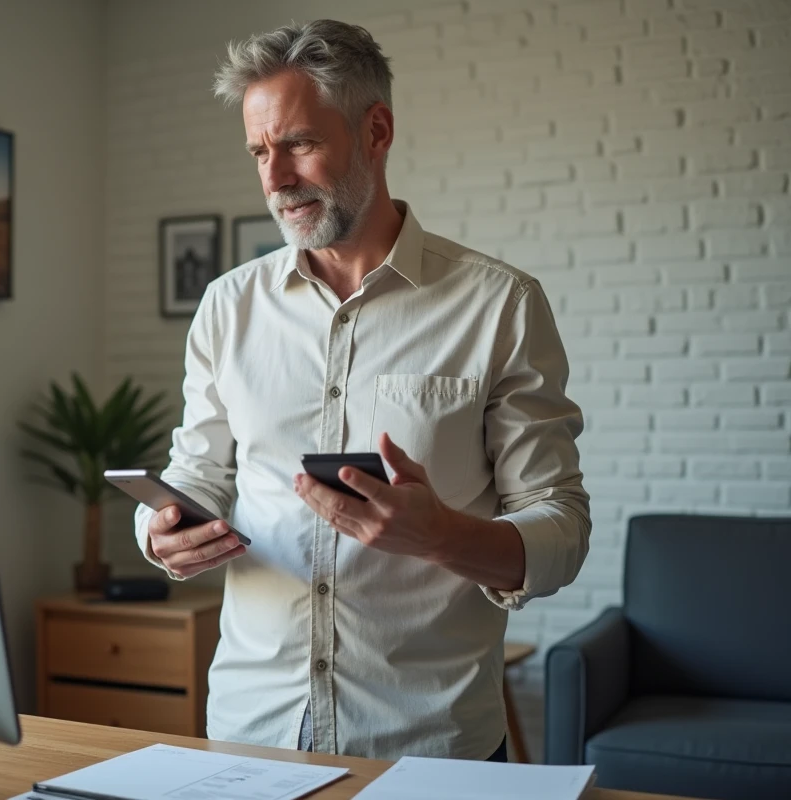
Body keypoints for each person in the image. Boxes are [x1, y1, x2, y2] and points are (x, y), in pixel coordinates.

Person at [132, 19, 590, 763]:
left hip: (430, 749)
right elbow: (198, 473)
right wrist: (162, 531)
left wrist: (442, 536)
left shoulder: (500, 305)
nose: (275, 179)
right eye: (259, 152)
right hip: (251, 737)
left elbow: (562, 530)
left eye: (299, 144)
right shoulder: (226, 307)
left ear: (376, 131)